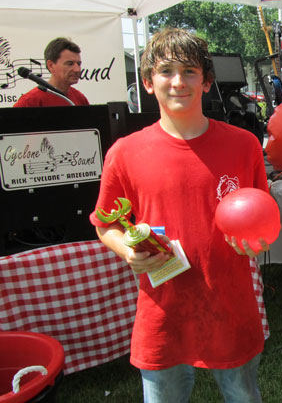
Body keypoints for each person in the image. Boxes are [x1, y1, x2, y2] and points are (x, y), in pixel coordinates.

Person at [90, 28, 268, 403]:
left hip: (230, 306)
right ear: (148, 83)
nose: (178, 82)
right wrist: (129, 250)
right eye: (166, 71)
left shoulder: (244, 145)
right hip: (163, 313)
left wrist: (260, 239)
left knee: (244, 396)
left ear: (206, 81)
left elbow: (261, 217)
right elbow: (106, 223)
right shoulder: (124, 153)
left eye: (189, 71)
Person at [14, 37, 89, 107]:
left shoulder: (80, 98)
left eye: (79, 64)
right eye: (69, 64)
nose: (77, 69)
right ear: (51, 65)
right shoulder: (29, 102)